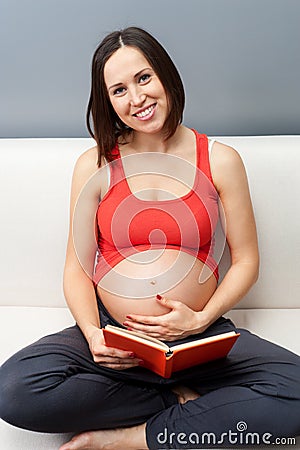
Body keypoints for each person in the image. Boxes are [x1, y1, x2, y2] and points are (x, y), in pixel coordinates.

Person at [0, 26, 300, 450]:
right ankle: (177, 400)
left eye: (143, 79)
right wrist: (92, 334)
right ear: (107, 101)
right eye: (118, 90)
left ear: (166, 76)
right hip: (116, 337)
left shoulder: (220, 160)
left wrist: (200, 318)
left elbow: (247, 260)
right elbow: (76, 267)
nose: (136, 98)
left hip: (200, 335)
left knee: (297, 393)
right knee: (14, 390)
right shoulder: (96, 164)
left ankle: (132, 436)